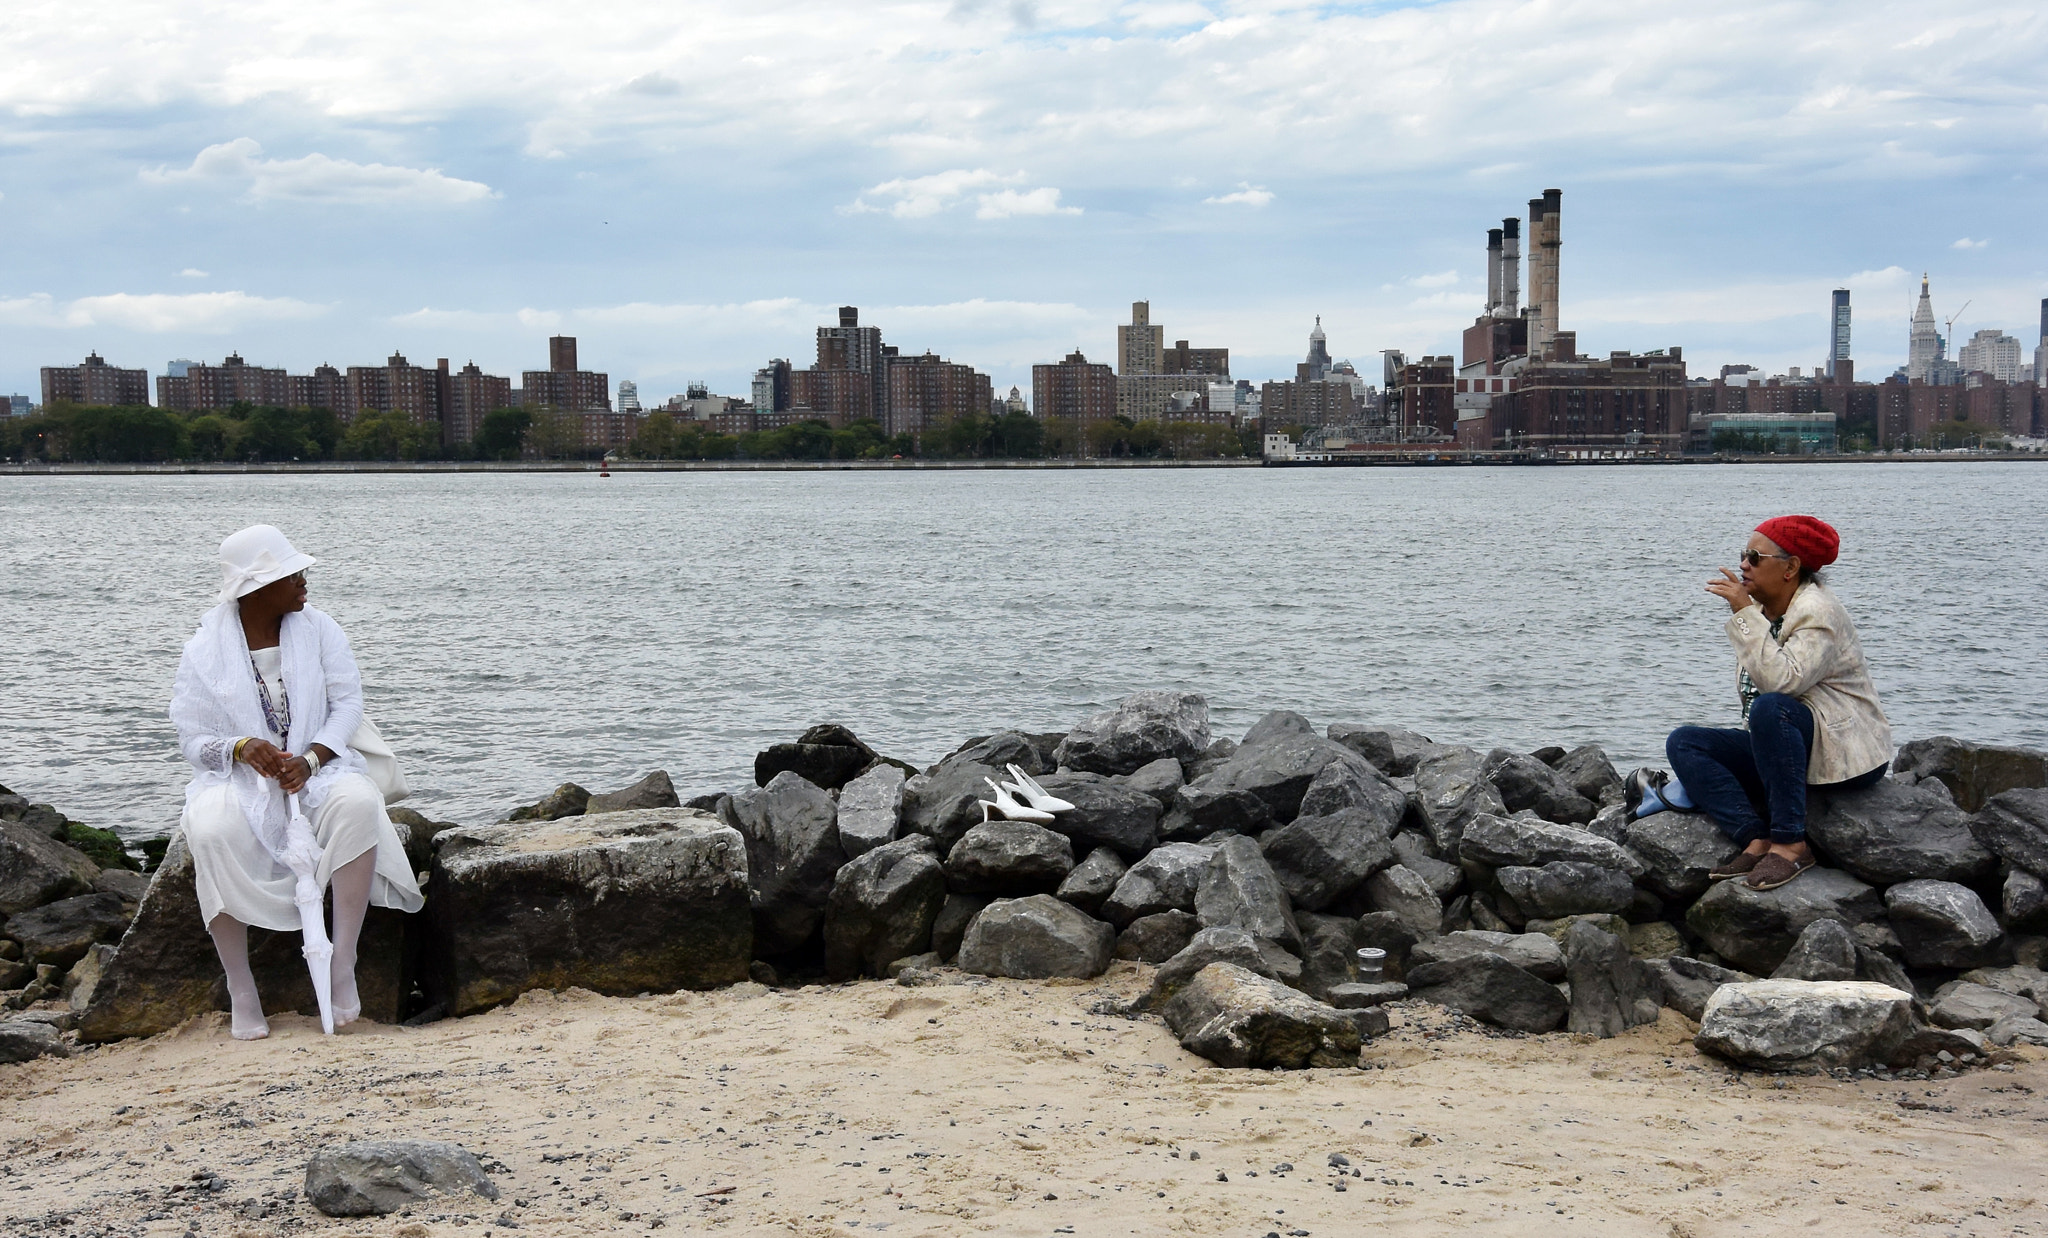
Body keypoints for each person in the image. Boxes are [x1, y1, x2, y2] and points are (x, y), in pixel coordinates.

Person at [168, 525, 422, 1039]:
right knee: (210, 828)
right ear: (257, 588)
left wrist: (311, 758)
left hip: (319, 768)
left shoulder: (321, 629)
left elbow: (349, 704)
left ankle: (342, 962)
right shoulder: (203, 649)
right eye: (292, 574)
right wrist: (240, 747)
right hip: (241, 781)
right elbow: (192, 739)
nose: (304, 580)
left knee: (356, 803)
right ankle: (241, 987)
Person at [1626, 515, 1892, 891]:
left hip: (1845, 754)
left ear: (1791, 567)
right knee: (1684, 741)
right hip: (1791, 745)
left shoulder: (1817, 610)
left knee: (1772, 707)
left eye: (1754, 557)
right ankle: (1756, 838)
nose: (1743, 565)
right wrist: (1751, 615)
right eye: (1743, 555)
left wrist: (1742, 614)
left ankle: (1790, 844)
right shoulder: (1767, 612)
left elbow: (1782, 682)